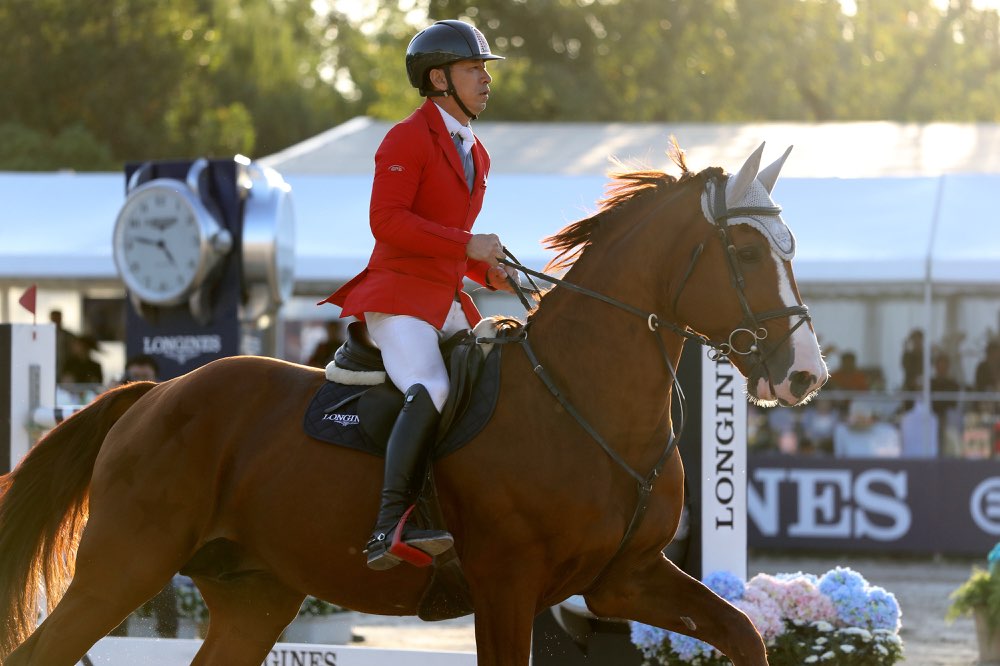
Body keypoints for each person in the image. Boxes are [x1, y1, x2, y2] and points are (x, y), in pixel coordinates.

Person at [319, 20, 515, 571]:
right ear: (438, 78)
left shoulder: (477, 152)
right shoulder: (406, 137)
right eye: (473, 68)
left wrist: (496, 274)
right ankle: (389, 525)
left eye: (484, 69)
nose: (484, 78)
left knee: (494, 374)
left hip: (443, 296)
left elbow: (450, 246)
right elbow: (388, 222)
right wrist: (468, 243)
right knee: (430, 383)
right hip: (398, 298)